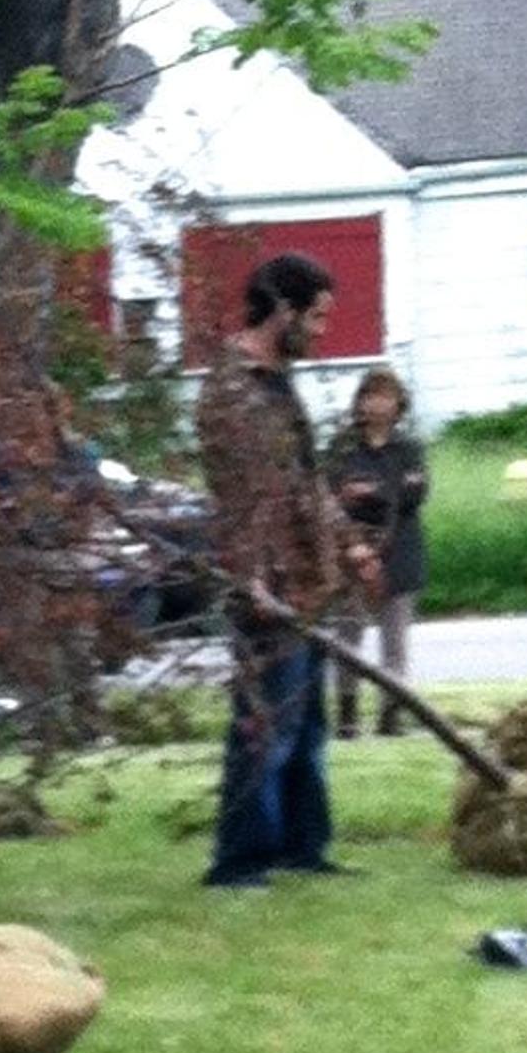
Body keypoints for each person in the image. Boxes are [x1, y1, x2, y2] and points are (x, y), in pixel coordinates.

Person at [195, 251, 371, 889]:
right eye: (316, 318)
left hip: (309, 579)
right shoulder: (232, 391)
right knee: (263, 726)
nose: (321, 333)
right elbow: (242, 502)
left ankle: (302, 846)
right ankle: (239, 861)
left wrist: (350, 544)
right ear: (282, 309)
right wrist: (255, 583)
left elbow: (305, 483)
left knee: (306, 725)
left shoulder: (275, 381)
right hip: (267, 591)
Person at [321, 365, 430, 737]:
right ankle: (348, 716)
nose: (378, 404)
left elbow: (415, 492)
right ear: (360, 402)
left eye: (386, 396)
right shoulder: (343, 449)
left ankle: (391, 715)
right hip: (353, 553)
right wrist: (369, 505)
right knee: (348, 635)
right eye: (371, 395)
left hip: (400, 552)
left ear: (399, 404)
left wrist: (374, 492)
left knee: (395, 641)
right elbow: (334, 497)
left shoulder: (409, 449)